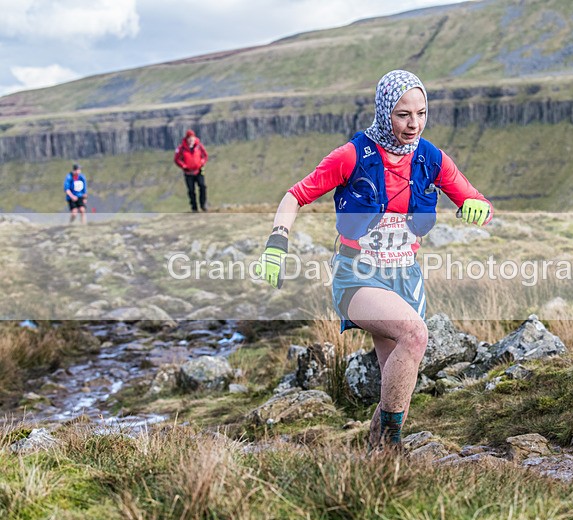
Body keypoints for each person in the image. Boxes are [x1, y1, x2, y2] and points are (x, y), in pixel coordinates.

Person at [258, 70, 493, 451]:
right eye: (403, 114)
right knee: (415, 335)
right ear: (385, 112)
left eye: (421, 112)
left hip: (407, 279)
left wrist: (476, 208)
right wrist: (276, 243)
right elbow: (294, 196)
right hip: (358, 275)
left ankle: (377, 458)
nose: (413, 123)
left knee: (396, 381)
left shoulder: (430, 158)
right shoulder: (352, 155)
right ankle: (393, 445)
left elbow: (477, 199)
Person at [174, 129, 208, 212]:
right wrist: (183, 166)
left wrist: (202, 162)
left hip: (199, 171)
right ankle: (194, 208)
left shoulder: (199, 146)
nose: (191, 140)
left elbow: (205, 155)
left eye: (192, 138)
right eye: (189, 138)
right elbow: (177, 159)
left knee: (202, 186)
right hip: (188, 173)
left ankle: (203, 205)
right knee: (191, 190)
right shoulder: (181, 148)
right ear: (186, 139)